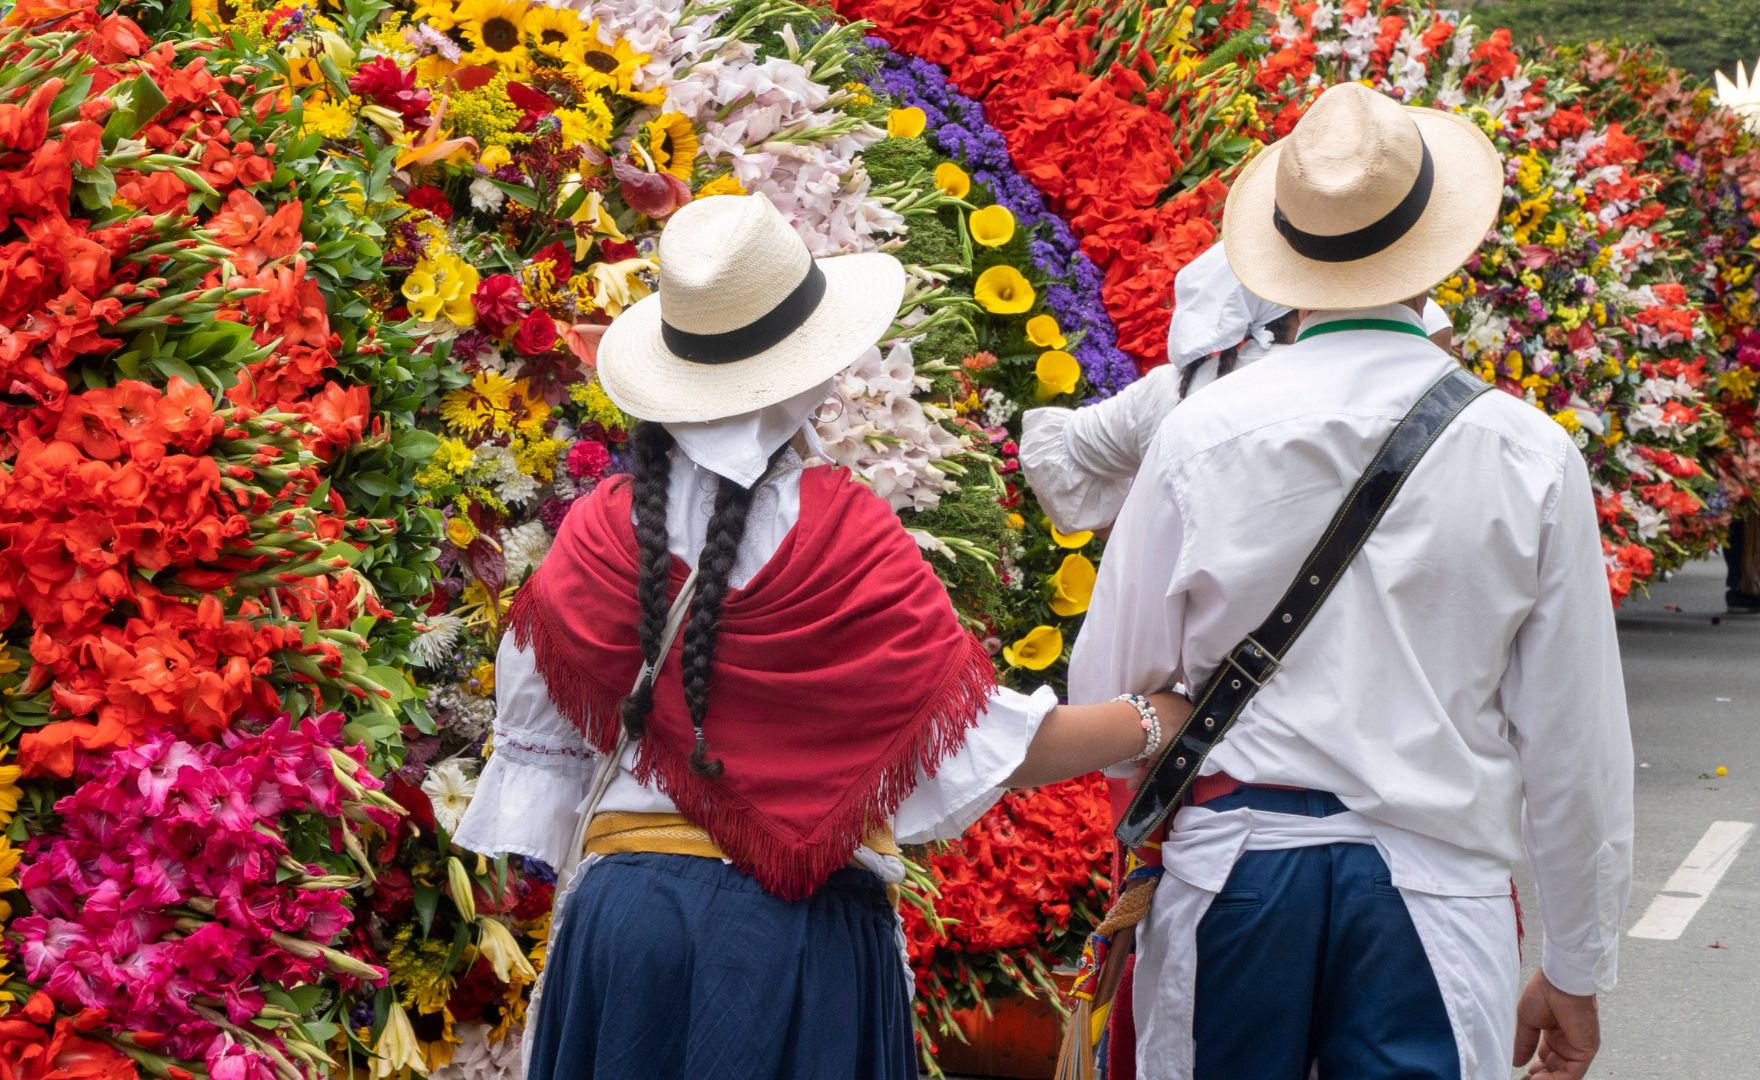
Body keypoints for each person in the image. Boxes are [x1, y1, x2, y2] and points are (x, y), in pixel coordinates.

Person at [450, 193, 1186, 1079]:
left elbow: (548, 766)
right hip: (796, 939)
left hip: (627, 927)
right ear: (807, 377)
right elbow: (966, 743)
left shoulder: (598, 536)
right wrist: (1155, 720)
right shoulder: (843, 531)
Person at [1073, 84, 1633, 1080]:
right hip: (1433, 896)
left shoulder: (1200, 433)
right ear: (1438, 249)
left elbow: (1108, 689)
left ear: (1287, 258)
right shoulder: (1527, 453)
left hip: (1234, 881)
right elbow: (1575, 747)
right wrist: (1578, 969)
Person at [1021, 244, 1296, 535]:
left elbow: (1057, 453)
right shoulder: (1311, 403)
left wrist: (1140, 540)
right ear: (1303, 314)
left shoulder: (1175, 386)